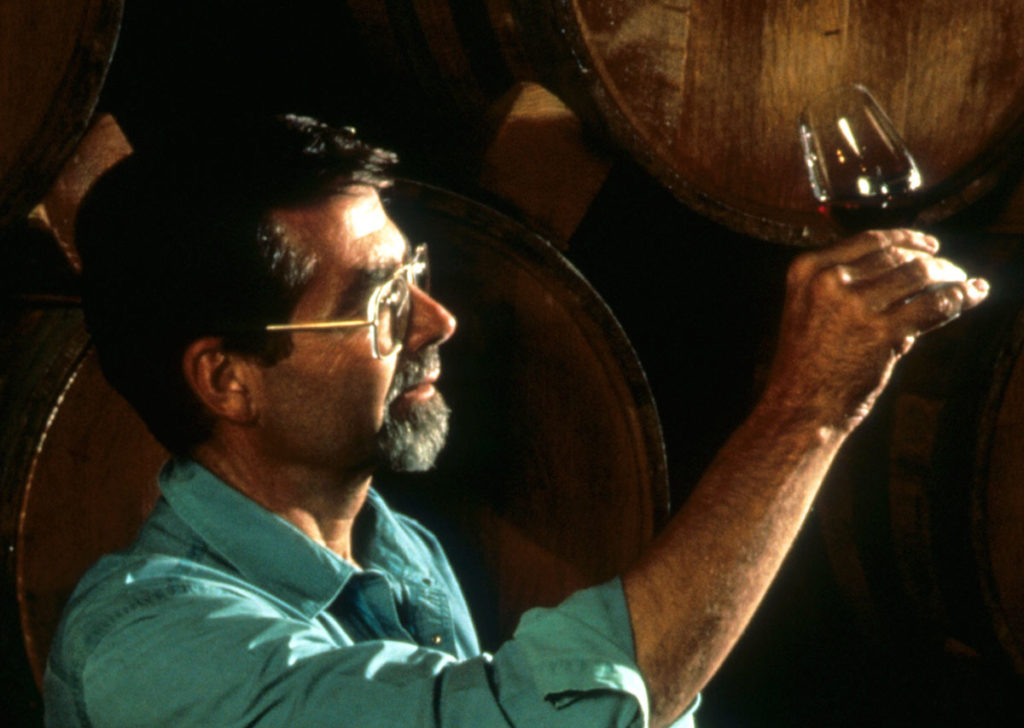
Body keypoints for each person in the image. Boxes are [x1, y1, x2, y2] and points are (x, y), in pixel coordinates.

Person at [44, 115, 989, 728]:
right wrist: (808, 412)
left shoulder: (396, 550)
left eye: (414, 275)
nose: (438, 321)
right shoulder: (155, 647)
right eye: (381, 302)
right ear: (227, 380)